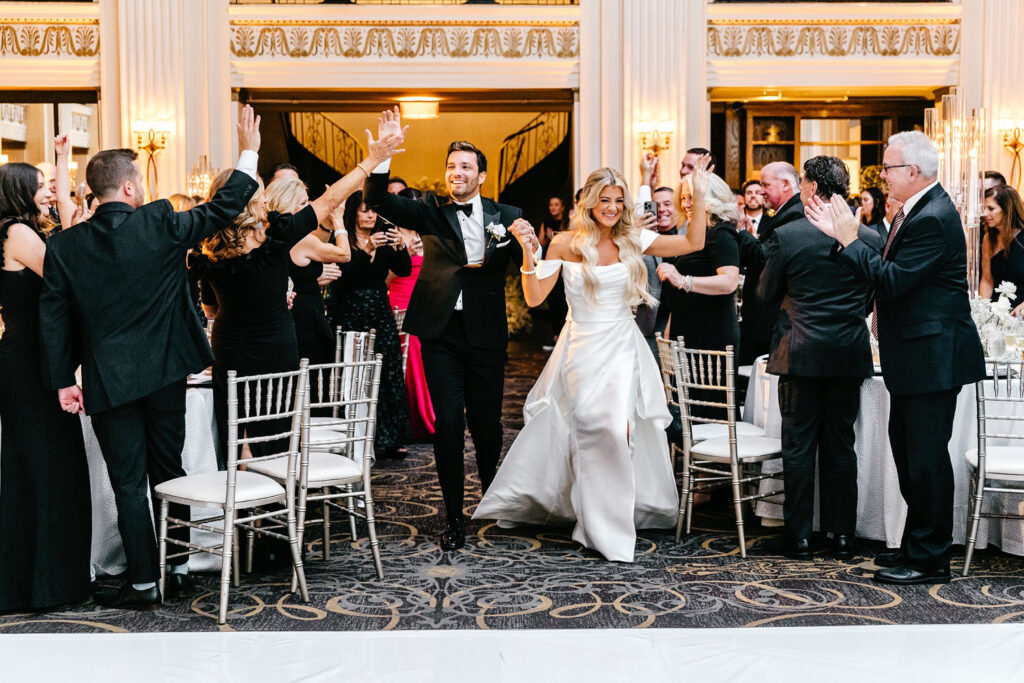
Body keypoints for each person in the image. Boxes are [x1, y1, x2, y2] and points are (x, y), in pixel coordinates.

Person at [38, 106, 262, 610]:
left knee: (127, 484)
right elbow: (224, 207)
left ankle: (142, 583)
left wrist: (62, 381)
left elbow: (53, 320)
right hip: (165, 374)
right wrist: (248, 149)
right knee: (171, 472)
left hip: (108, 381)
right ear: (131, 188)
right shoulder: (159, 221)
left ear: (96, 191)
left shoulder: (66, 246)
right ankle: (178, 568)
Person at [474, 160, 712, 562]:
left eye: (619, 201)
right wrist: (529, 254)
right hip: (581, 345)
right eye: (605, 199)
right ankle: (589, 514)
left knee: (615, 431)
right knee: (587, 426)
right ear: (588, 201)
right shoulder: (565, 243)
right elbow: (534, 298)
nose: (613, 207)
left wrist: (699, 193)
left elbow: (694, 244)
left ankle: (605, 526)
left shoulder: (634, 238)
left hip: (621, 345)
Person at [806, 130, 985, 585]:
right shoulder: (920, 209)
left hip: (933, 357)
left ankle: (931, 558)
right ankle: (916, 544)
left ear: (913, 171)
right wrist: (843, 238)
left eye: (887, 167)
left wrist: (848, 240)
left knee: (925, 459)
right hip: (918, 356)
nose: (882, 175)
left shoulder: (934, 216)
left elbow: (893, 282)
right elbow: (891, 273)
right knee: (908, 455)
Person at [363, 106, 538, 551]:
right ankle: (454, 516)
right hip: (440, 333)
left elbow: (528, 266)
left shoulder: (508, 213)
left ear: (481, 175)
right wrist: (382, 158)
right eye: (450, 166)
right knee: (446, 424)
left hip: (486, 334)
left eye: (464, 166)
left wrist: (529, 241)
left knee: (487, 426)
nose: (455, 172)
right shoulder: (431, 210)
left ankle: (493, 498)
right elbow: (381, 201)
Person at [198, 139, 400, 469]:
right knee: (277, 425)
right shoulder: (275, 238)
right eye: (261, 193)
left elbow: (210, 311)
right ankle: (277, 495)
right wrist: (370, 161)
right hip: (274, 345)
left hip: (228, 347)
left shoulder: (210, 248)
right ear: (252, 202)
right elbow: (331, 199)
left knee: (235, 424)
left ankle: (240, 494)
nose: (266, 198)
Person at [758, 156, 882, 560]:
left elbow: (765, 293)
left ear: (810, 188)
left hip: (800, 353)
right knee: (841, 444)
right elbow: (869, 298)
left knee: (798, 446)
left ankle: (799, 537)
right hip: (847, 351)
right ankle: (842, 536)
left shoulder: (789, 235)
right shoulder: (868, 237)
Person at [0, 160, 91, 612]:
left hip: (20, 357)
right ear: (18, 193)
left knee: (29, 466)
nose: (46, 191)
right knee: (50, 465)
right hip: (30, 362)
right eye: (39, 187)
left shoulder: (15, 230)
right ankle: (49, 584)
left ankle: (26, 581)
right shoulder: (17, 233)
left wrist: (63, 187)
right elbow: (64, 274)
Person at [327, 190, 413, 458]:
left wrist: (399, 245)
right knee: (354, 373)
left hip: (378, 309)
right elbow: (343, 279)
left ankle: (390, 436)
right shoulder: (341, 238)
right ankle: (352, 432)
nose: (369, 215)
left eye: (373, 210)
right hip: (350, 310)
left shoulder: (385, 237)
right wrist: (366, 249)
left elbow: (405, 270)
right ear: (353, 211)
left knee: (387, 370)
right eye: (364, 210)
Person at [656, 173, 741, 418]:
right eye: (683, 198)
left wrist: (683, 280)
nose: (685, 204)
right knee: (689, 409)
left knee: (709, 411)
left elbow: (729, 281)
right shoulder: (695, 235)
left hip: (711, 335)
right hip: (688, 332)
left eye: (692, 197)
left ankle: (716, 457)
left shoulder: (720, 231)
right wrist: (671, 332)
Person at [262, 176, 350, 371]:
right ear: (289, 205)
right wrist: (338, 221)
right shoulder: (302, 241)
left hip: (283, 320)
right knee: (312, 382)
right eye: (303, 203)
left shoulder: (268, 236)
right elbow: (344, 254)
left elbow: (317, 245)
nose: (309, 208)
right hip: (306, 319)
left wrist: (325, 225)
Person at [735, 162, 803, 365]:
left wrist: (739, 231)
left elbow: (762, 259)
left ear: (785, 184)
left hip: (772, 319)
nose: (761, 192)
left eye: (765, 185)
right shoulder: (785, 213)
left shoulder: (793, 214)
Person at [387, 186, 436, 439]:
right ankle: (409, 422)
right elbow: (383, 279)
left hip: (425, 305)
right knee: (406, 363)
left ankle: (427, 418)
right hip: (399, 305)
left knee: (428, 361)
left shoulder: (431, 233)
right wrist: (408, 255)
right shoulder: (392, 235)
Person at [980, 183, 1024, 312]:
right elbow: (987, 279)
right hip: (997, 309)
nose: (985, 213)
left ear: (1007, 209)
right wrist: (982, 309)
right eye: (984, 208)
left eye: (991, 208)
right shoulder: (988, 238)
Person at [539, 194, 571, 349]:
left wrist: (554, 235)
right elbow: (541, 243)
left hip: (565, 266)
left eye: (556, 204)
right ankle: (555, 335)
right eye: (551, 205)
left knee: (565, 300)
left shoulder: (568, 222)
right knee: (553, 301)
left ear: (562, 207)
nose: (553, 207)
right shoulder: (545, 223)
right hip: (551, 265)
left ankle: (565, 336)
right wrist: (547, 236)